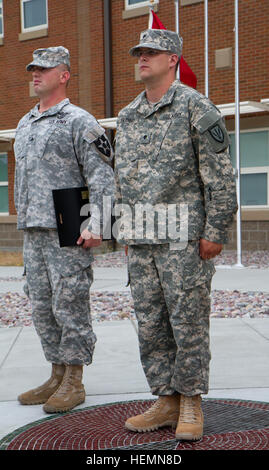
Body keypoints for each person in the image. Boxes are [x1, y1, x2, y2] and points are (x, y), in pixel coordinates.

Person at [114, 29, 237, 440]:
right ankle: (165, 400)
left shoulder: (196, 107)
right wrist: (124, 227)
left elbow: (219, 176)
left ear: (173, 60)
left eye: (152, 52)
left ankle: (190, 401)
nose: (142, 58)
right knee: (150, 325)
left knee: (187, 323)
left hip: (184, 240)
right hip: (143, 240)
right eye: (139, 53)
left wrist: (215, 229)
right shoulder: (128, 115)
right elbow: (123, 179)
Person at [14, 46, 115, 414]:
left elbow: (103, 176)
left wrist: (98, 224)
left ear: (64, 75)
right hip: (34, 227)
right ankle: (56, 373)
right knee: (41, 304)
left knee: (69, 302)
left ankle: (74, 379)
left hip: (68, 223)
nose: (35, 74)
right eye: (33, 69)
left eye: (44, 69)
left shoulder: (79, 121)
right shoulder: (25, 123)